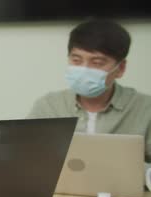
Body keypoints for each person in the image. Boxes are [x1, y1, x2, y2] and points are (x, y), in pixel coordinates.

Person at [28, 19, 151, 163]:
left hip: (123, 186)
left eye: (97, 62)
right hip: (65, 186)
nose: (84, 70)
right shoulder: (48, 106)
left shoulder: (145, 109)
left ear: (121, 68)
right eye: (76, 60)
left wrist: (133, 172)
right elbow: (28, 159)